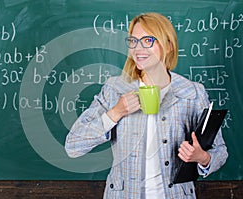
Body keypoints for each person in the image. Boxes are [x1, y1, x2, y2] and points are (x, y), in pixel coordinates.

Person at [65, 12, 228, 199]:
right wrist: (115, 113)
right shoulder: (115, 89)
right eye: (133, 41)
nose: (138, 48)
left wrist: (202, 158)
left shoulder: (192, 92)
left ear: (168, 45)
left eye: (147, 40)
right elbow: (73, 146)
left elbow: (220, 152)